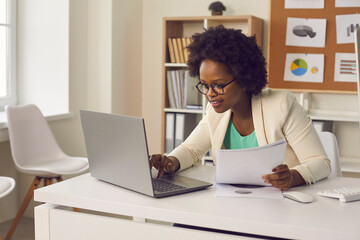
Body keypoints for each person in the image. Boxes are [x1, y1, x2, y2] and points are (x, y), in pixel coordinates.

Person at [150, 25, 331, 190]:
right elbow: (191, 149)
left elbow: (320, 162)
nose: (210, 93)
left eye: (219, 84)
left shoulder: (281, 105)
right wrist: (171, 162)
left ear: (243, 78)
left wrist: (292, 177)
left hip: (278, 203)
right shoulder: (215, 111)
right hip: (232, 199)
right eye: (205, 85)